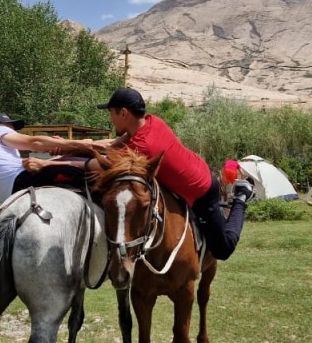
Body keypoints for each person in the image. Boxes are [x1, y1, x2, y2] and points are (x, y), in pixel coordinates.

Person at [59, 88, 253, 261]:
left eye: (111, 112)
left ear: (123, 113)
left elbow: (94, 165)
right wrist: (66, 146)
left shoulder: (143, 148)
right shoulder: (152, 122)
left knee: (222, 249)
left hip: (201, 191)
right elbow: (111, 146)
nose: (110, 118)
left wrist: (49, 163)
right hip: (189, 175)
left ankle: (241, 197)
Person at [0, 112, 113, 202]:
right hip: (24, 180)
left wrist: (60, 149)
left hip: (12, 195)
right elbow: (34, 143)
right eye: (8, 127)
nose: (12, 130)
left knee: (63, 160)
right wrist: (82, 144)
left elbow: (27, 164)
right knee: (100, 171)